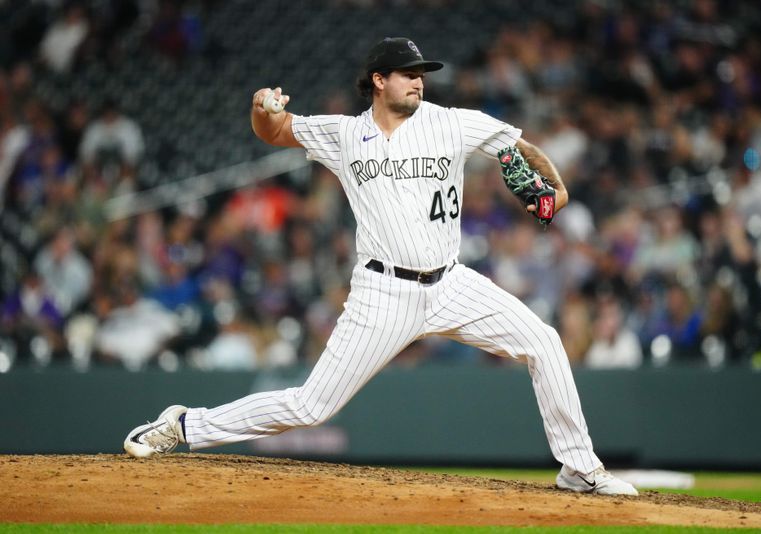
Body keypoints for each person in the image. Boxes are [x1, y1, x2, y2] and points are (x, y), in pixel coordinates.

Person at [123, 37, 638, 496]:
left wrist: (559, 190)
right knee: (311, 407)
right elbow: (273, 132)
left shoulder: (451, 122)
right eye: (409, 73)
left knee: (543, 341)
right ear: (378, 80)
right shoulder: (346, 135)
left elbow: (517, 144)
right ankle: (185, 425)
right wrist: (262, 107)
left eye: (421, 74)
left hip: (451, 282)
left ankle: (578, 467)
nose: (419, 81)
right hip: (383, 292)